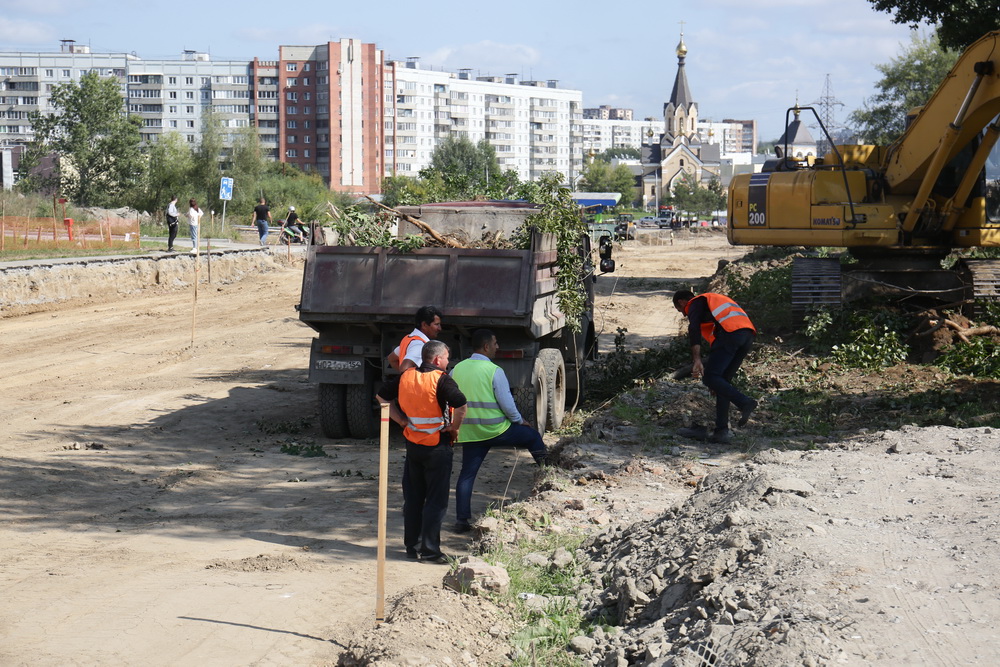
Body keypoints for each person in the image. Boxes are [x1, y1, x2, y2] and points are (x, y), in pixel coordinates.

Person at [377, 340, 467, 563]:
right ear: (437, 359)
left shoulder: (406, 376)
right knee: (436, 501)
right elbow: (462, 405)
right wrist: (454, 428)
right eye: (446, 358)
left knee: (414, 498)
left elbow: (381, 397)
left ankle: (412, 545)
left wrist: (400, 421)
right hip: (438, 447)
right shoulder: (442, 379)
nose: (448, 362)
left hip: (413, 446)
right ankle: (429, 551)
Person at [450, 329, 547, 533]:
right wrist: (520, 421)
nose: (497, 347)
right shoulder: (494, 370)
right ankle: (549, 472)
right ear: (486, 347)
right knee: (532, 437)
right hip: (496, 430)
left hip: (470, 433)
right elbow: (507, 404)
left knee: (466, 475)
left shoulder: (457, 369)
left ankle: (461, 521)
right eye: (495, 343)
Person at [673, 290, 757, 444]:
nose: (684, 315)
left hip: (731, 334)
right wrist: (717, 383)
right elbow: (716, 339)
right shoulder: (713, 304)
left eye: (681, 311)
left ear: (681, 302)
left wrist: (697, 359)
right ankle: (721, 432)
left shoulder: (695, 303)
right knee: (721, 381)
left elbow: (694, 329)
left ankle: (745, 402)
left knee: (710, 377)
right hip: (747, 336)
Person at [387, 306, 443, 373]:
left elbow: (391, 359)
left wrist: (403, 378)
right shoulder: (419, 345)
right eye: (436, 324)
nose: (440, 328)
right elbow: (404, 368)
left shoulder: (410, 339)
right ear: (424, 325)